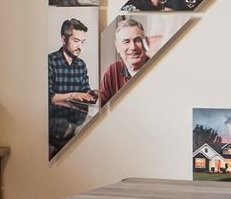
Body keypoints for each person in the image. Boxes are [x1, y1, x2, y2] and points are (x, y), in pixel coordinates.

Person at [47, 19, 96, 151]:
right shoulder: (50, 61)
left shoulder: (81, 65)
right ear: (64, 39)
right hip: (55, 120)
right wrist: (73, 95)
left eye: (82, 42)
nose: (80, 46)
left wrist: (93, 94)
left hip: (77, 119)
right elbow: (48, 97)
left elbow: (85, 91)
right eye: (76, 41)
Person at [95, 14, 156, 105]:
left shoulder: (157, 67)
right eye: (126, 41)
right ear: (117, 47)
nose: (133, 47)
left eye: (137, 40)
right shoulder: (112, 71)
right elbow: (100, 106)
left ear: (146, 42)